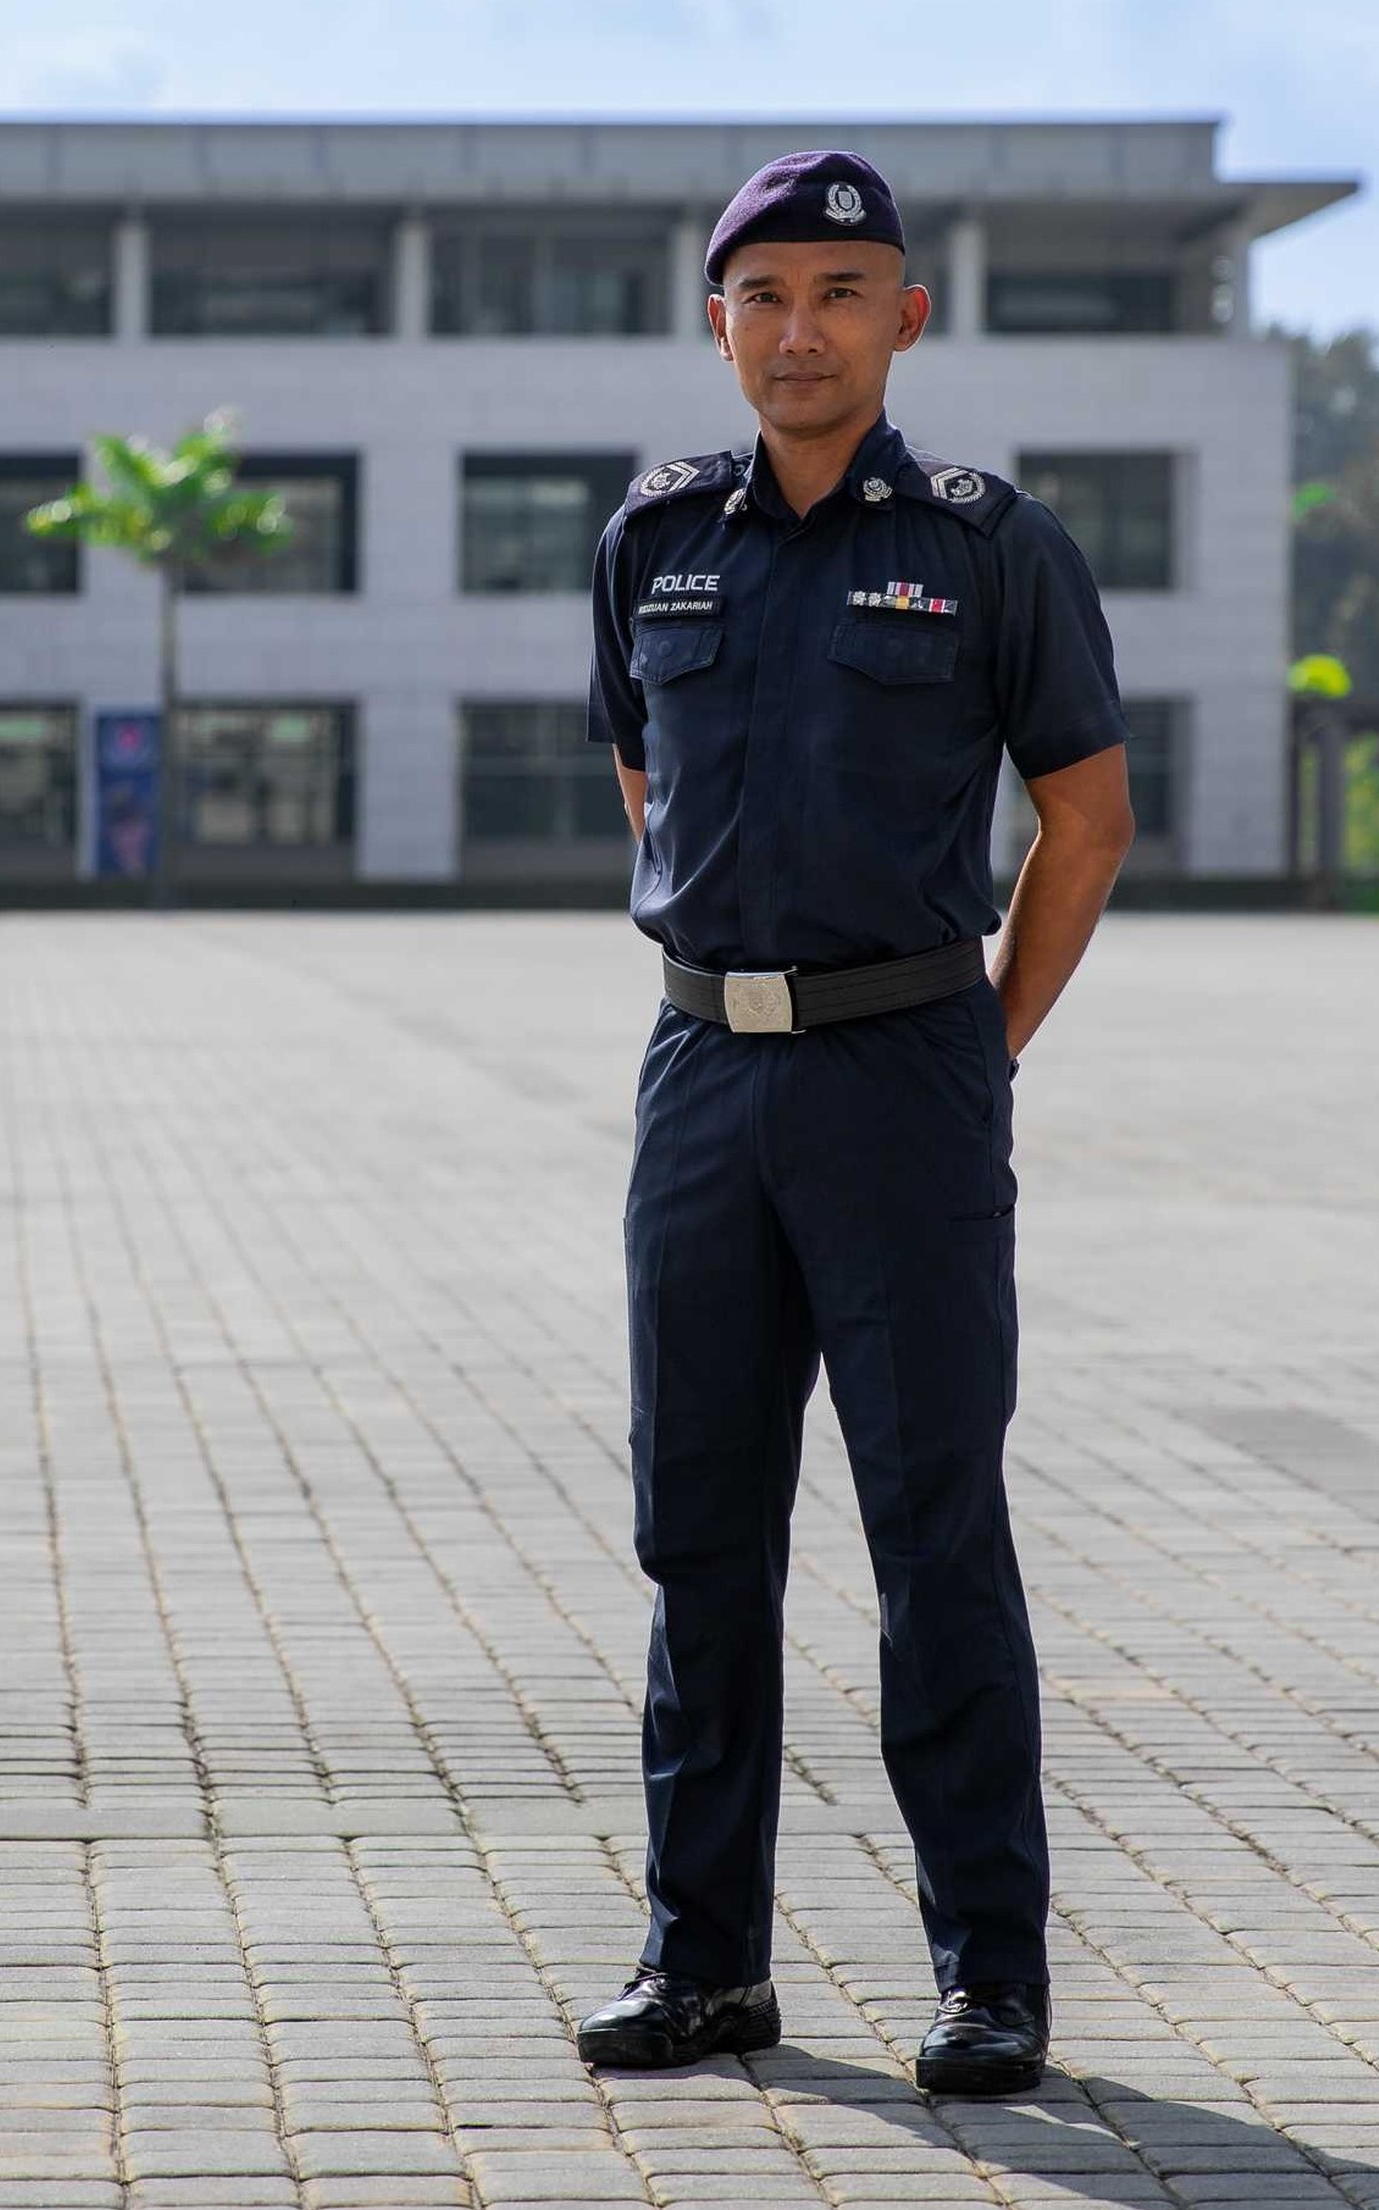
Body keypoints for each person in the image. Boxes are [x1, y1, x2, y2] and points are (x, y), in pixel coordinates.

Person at [576, 149, 1135, 2095]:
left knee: (934, 1528)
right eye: (763, 296)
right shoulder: (655, 538)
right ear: (714, 319)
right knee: (698, 1534)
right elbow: (651, 784)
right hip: (701, 1080)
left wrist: (982, 1044)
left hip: (904, 1075)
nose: (797, 329)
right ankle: (703, 1960)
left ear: (906, 318)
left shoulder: (992, 545)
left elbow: (1086, 821)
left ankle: (992, 1973)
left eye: (840, 291)